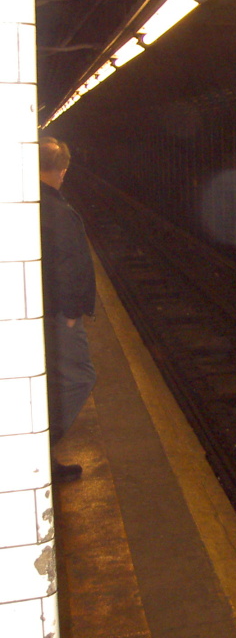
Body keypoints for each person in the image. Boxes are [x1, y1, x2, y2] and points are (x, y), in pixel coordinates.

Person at [39, 136, 97, 483]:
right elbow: (67, 264)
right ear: (61, 170)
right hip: (59, 314)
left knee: (51, 380)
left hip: (43, 308)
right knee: (79, 378)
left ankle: (44, 456)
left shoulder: (34, 202)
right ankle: (38, 446)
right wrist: (73, 312)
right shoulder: (57, 211)